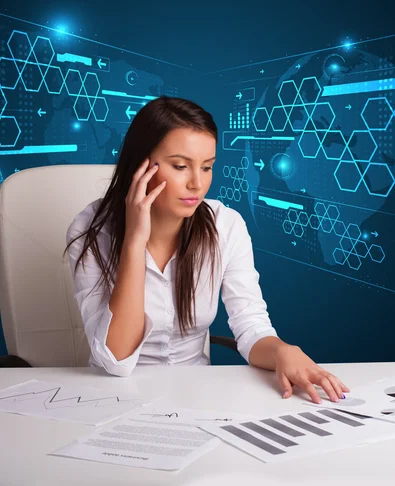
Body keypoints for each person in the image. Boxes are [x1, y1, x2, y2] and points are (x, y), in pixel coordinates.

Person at [64, 96, 349, 404]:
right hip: (111, 398)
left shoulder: (225, 225)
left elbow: (250, 325)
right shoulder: (90, 231)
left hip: (196, 399)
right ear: (140, 165)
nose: (197, 184)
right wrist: (134, 242)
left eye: (207, 167)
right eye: (180, 166)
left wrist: (282, 351)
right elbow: (115, 360)